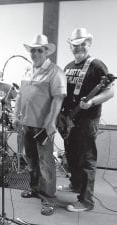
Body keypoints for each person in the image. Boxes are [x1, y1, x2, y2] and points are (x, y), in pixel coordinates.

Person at [57, 28, 114, 212]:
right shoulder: (68, 67)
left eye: (82, 44)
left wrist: (92, 102)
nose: (78, 47)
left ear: (88, 44)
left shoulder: (97, 65)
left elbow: (110, 91)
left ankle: (86, 201)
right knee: (72, 156)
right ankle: (75, 185)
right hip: (70, 120)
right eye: (74, 45)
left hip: (88, 120)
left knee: (86, 159)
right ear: (70, 46)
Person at [13, 34, 67, 216]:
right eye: (33, 50)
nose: (35, 53)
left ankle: (49, 198)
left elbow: (58, 99)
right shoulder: (27, 70)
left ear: (46, 51)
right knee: (31, 160)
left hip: (43, 126)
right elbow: (21, 95)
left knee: (46, 163)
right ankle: (35, 188)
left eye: (39, 50)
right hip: (27, 124)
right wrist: (15, 116)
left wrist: (51, 121)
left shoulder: (55, 71)